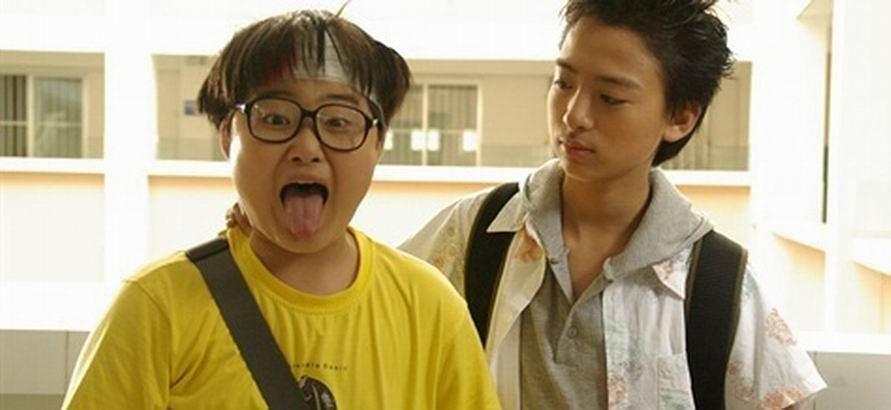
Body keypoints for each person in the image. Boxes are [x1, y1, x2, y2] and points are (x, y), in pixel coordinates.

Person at [62, 9, 500, 409]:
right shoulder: (156, 306)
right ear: (227, 138)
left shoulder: (430, 308)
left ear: (378, 145)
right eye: (274, 119)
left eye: (338, 122)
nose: (306, 147)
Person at [400, 0, 826, 408]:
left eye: (610, 97)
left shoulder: (717, 280)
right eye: (564, 83)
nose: (574, 115)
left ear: (681, 118)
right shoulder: (477, 231)